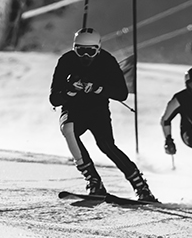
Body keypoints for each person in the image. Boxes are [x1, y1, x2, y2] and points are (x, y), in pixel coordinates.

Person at [49, 28, 157, 202]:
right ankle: (92, 180)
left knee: (106, 145)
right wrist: (70, 91)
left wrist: (98, 88)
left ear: (98, 49)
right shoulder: (66, 61)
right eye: (80, 51)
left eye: (90, 51)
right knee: (68, 129)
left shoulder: (107, 61)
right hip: (73, 109)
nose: (85, 56)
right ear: (74, 48)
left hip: (97, 109)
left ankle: (140, 186)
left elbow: (122, 93)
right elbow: (54, 98)